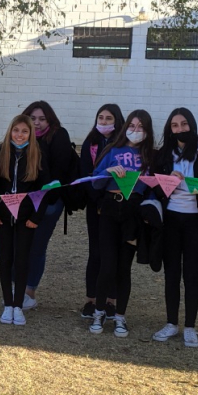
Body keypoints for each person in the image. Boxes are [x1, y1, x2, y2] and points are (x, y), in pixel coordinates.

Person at [150, 108, 198, 348]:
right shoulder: (163, 155)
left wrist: (190, 184)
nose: (180, 129)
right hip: (171, 220)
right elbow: (156, 190)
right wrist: (169, 183)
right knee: (172, 274)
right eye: (175, 126)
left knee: (191, 276)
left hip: (196, 221)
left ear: (192, 125)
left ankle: (190, 327)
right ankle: (171, 323)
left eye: (184, 124)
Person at [90, 109, 155, 338]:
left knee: (123, 268)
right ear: (126, 126)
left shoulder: (150, 157)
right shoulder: (112, 150)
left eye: (141, 127)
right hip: (109, 208)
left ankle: (120, 316)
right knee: (107, 265)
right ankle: (99, 312)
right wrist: (107, 172)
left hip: (133, 213)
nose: (136, 131)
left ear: (147, 132)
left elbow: (155, 189)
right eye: (132, 126)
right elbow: (95, 184)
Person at [0, 115, 51, 326]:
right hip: (3, 217)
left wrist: (36, 217)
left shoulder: (38, 156)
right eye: (16, 130)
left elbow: (44, 190)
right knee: (5, 259)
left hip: (26, 219)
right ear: (10, 131)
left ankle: (18, 305)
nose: (19, 135)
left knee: (22, 260)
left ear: (31, 134)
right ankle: (7, 304)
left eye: (24, 131)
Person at [19, 101, 71, 310]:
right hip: (21, 201)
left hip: (49, 201)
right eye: (33, 119)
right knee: (10, 245)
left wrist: (46, 201)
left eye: (42, 119)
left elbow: (61, 171)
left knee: (37, 247)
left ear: (50, 120)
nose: (37, 123)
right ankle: (17, 286)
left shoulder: (59, 136)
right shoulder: (20, 136)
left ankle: (29, 290)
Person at [79, 104, 124, 320]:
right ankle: (91, 300)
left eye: (109, 118)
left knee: (114, 254)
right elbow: (86, 174)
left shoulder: (123, 145)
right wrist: (96, 200)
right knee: (95, 252)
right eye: (101, 117)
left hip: (117, 204)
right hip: (95, 204)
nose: (104, 122)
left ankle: (111, 301)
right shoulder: (90, 142)